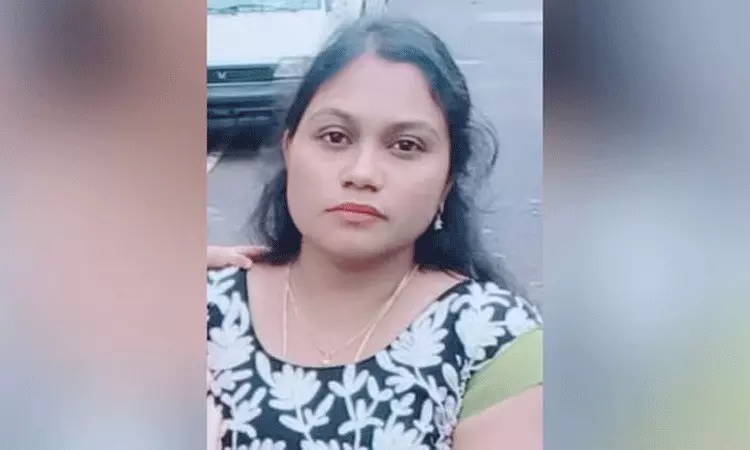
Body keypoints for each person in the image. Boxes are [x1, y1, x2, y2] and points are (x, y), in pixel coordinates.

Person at [207, 17, 542, 450]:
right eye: (335, 137)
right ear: (290, 150)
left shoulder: (493, 343)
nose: (362, 173)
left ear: (447, 180)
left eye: (406, 145)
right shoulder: (204, 308)